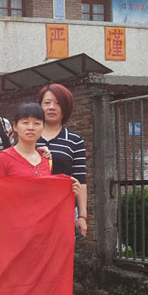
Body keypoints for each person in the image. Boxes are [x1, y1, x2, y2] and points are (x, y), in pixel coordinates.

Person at [37, 83, 88, 239]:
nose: (52, 107)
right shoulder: (30, 136)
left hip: (64, 210)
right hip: (34, 210)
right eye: (47, 102)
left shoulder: (74, 140)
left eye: (58, 103)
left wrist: (82, 216)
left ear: (65, 108)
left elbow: (80, 179)